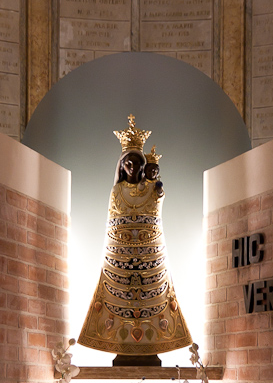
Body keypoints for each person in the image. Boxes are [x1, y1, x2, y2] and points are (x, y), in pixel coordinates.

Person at [77, 115, 192, 365]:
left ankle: (151, 345)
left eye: (137, 163)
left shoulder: (151, 188)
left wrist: (158, 192)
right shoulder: (116, 191)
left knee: (152, 300)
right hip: (120, 257)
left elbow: (156, 207)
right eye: (128, 163)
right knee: (121, 301)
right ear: (121, 166)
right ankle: (121, 345)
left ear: (143, 166)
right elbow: (112, 222)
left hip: (150, 255)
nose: (132, 167)